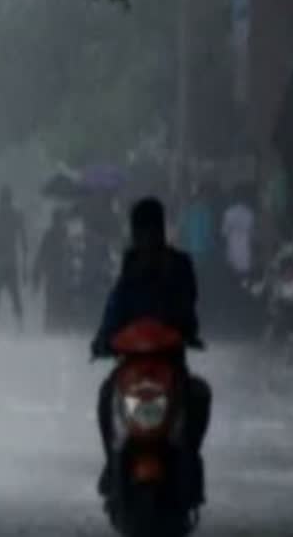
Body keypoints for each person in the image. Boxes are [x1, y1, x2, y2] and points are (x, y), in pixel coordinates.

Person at [91, 197, 211, 507]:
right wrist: (103, 339)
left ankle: (189, 459)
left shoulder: (180, 266)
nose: (144, 239)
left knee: (198, 396)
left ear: (160, 231)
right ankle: (110, 461)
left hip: (170, 363)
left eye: (149, 231)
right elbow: (115, 308)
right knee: (107, 396)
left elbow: (189, 306)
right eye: (139, 232)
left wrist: (187, 332)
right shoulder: (129, 269)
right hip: (132, 364)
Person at [0, 186, 27, 329]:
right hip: (11, 259)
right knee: (15, 293)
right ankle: (19, 324)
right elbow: (23, 239)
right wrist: (24, 264)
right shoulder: (17, 215)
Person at [32, 208, 71, 332]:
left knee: (58, 301)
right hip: (56, 273)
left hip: (59, 273)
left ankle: (56, 326)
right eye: (59, 220)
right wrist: (38, 273)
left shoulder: (62, 234)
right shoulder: (55, 235)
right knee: (55, 300)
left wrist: (37, 274)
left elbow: (41, 255)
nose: (60, 222)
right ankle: (53, 326)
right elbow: (42, 254)